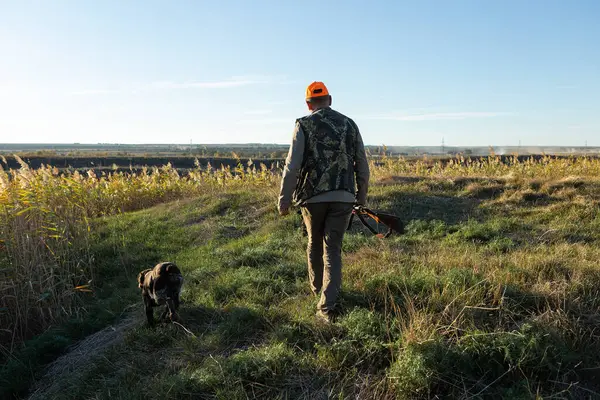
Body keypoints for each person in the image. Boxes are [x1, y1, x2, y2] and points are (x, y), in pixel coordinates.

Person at [278, 81, 370, 323]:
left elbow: (292, 166)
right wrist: (360, 198)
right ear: (330, 100)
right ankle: (326, 306)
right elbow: (362, 164)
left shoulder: (303, 124)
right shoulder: (350, 124)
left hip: (312, 197)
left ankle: (318, 292)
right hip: (343, 197)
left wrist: (284, 200)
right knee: (333, 251)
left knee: (314, 244)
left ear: (309, 104)